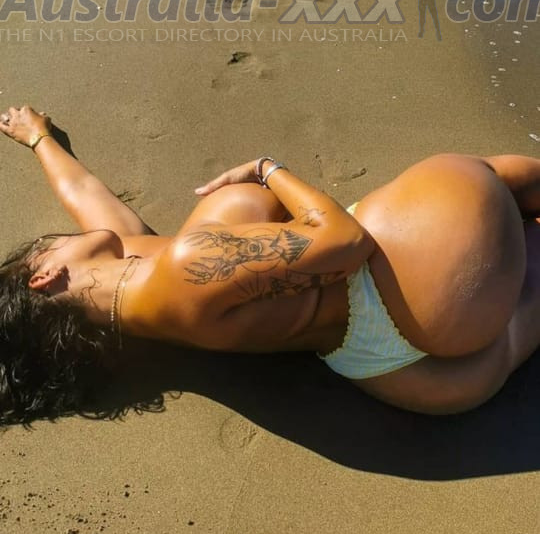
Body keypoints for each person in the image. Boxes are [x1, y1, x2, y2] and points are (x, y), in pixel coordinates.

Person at [1, 104, 539, 425]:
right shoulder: (186, 266)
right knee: (477, 178)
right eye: (46, 244)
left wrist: (40, 139)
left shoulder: (130, 310)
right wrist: (267, 170)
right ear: (44, 276)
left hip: (408, 374)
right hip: (413, 276)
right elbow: (345, 241)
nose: (60, 237)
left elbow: (87, 198)